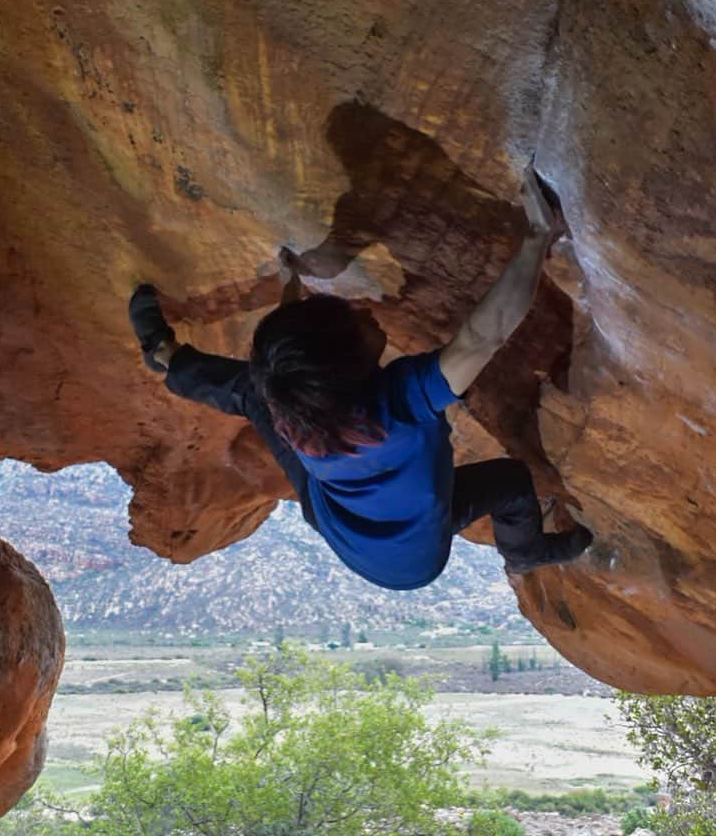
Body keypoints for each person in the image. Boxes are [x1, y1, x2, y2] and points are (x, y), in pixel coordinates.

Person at [129, 165, 592, 589]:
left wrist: (291, 280)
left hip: (340, 524)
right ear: (352, 364)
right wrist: (537, 236)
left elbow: (288, 358)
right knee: (511, 480)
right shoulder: (401, 405)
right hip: (417, 558)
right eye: (354, 322)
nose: (363, 312)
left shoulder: (299, 407)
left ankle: (167, 358)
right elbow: (481, 337)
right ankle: (525, 553)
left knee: (262, 387)